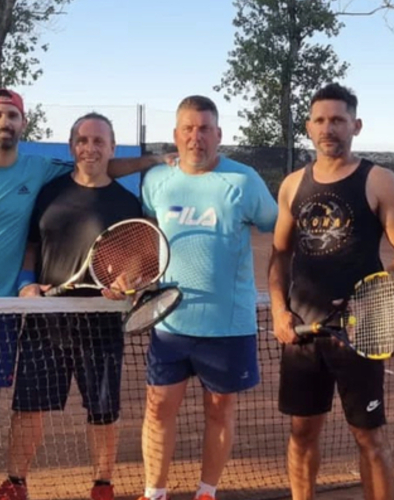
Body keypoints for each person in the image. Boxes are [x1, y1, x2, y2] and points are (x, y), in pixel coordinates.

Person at [0, 89, 171, 500]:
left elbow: (129, 226)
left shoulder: (81, 185)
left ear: (22, 123)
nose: (5, 122)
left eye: (12, 115)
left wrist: (152, 160)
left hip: (50, 318)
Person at [268, 83, 394, 500]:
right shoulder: (292, 185)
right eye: (320, 120)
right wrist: (280, 310)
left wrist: (366, 299)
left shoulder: (379, 181)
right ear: (308, 127)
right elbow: (280, 255)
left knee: (368, 438)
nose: (328, 128)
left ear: (356, 125)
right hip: (301, 334)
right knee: (302, 432)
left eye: (337, 120)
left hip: (360, 334)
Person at [0, 112, 142, 500]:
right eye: (82, 140)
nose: (90, 148)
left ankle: (103, 485)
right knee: (28, 408)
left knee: (103, 412)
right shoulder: (49, 192)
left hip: (101, 324)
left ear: (112, 147)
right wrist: (26, 286)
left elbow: (135, 258)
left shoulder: (127, 203)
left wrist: (126, 284)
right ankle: (15, 482)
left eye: (98, 141)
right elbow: (31, 247)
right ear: (73, 146)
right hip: (46, 321)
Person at [138, 95, 278, 500]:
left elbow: (276, 228)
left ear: (218, 134)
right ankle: (155, 493)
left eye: (204, 129)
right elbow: (148, 236)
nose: (196, 137)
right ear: (176, 135)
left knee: (219, 410)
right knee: (157, 408)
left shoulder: (243, 181)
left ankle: (206, 492)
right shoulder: (156, 182)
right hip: (169, 323)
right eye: (188, 128)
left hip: (228, 325)